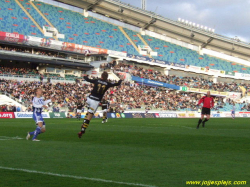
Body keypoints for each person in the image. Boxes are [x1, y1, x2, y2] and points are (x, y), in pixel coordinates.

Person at [78, 72, 122, 138]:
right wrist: (120, 79)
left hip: (89, 98)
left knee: (88, 110)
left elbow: (88, 80)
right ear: (107, 77)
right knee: (90, 115)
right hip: (95, 101)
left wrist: (85, 76)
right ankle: (82, 130)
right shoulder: (108, 83)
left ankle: (84, 121)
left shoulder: (97, 80)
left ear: (101, 76)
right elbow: (117, 83)